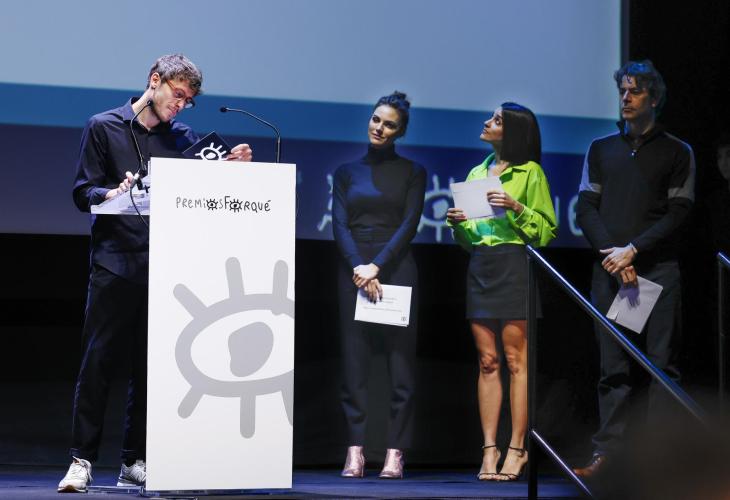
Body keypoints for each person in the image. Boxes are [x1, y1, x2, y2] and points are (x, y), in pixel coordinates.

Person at [58, 54, 253, 494]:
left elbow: (206, 194)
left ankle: (133, 460)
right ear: (155, 80)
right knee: (98, 363)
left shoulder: (184, 138)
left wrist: (232, 167)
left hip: (166, 268)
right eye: (177, 95)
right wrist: (111, 192)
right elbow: (82, 192)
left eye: (188, 101)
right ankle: (81, 460)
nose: (180, 105)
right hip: (114, 262)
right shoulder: (103, 126)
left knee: (152, 370)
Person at [573, 60, 695, 479]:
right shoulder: (601, 148)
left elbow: (679, 212)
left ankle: (659, 461)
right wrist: (614, 256)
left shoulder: (677, 151)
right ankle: (608, 456)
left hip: (657, 272)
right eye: (622, 90)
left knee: (662, 368)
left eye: (635, 91)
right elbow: (586, 208)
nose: (625, 98)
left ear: (653, 99)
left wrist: (634, 251)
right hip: (611, 272)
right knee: (613, 369)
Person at [446, 102, 557, 481]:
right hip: (481, 265)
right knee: (487, 362)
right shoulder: (477, 173)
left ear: (513, 132)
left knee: (515, 361)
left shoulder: (531, 173)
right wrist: (458, 224)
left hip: (514, 265)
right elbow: (468, 240)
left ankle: (517, 448)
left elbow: (546, 231)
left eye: (496, 120)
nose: (487, 123)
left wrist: (515, 206)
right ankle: (489, 448)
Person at [332, 91, 426, 479]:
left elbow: (409, 224)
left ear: (400, 131)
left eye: (389, 125)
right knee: (354, 365)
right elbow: (339, 224)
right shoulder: (346, 172)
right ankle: (355, 450)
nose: (379, 128)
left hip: (395, 268)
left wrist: (377, 267)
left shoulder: (413, 172)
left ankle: (394, 452)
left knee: (400, 367)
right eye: (376, 120)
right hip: (353, 270)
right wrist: (359, 266)